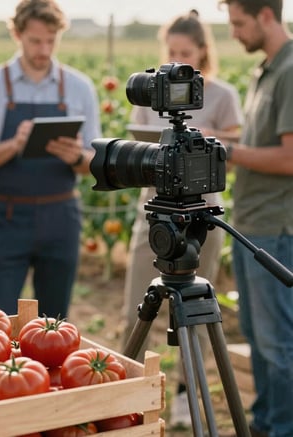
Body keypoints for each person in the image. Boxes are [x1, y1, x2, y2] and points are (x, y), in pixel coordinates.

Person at [121, 10, 243, 428]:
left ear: (202, 52)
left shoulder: (223, 95)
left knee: (198, 317)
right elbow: (138, 148)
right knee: (135, 308)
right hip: (153, 215)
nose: (175, 58)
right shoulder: (150, 98)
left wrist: (198, 146)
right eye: (169, 51)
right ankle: (129, 399)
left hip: (201, 220)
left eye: (184, 53)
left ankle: (183, 400)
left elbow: (230, 152)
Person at [0, 0, 101, 317]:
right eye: (35, 41)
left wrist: (76, 155)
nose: (44, 50)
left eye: (51, 41)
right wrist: (14, 144)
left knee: (54, 322)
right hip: (7, 216)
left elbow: (94, 162)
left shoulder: (80, 88)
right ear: (17, 34)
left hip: (62, 215)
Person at [219, 1, 293, 437]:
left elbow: (289, 157)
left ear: (266, 15)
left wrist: (226, 150)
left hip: (276, 227)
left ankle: (281, 428)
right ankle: (266, 423)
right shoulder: (265, 71)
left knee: (276, 341)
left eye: (238, 23)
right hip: (251, 223)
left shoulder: (289, 72)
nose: (233, 33)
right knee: (256, 334)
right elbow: (260, 145)